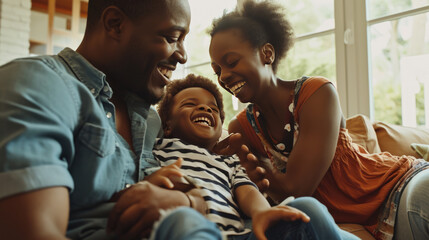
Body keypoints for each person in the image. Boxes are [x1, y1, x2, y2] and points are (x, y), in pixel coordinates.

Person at [0, 0, 223, 239]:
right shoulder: (36, 84)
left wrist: (184, 200)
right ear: (114, 24)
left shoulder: (150, 120)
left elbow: (195, 195)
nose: (182, 55)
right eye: (171, 37)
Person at [208, 0, 429, 240]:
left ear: (267, 53)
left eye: (231, 62)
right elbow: (269, 200)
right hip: (344, 222)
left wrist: (254, 162)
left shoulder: (316, 93)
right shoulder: (241, 127)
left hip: (397, 186)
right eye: (217, 70)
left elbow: (297, 189)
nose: (224, 76)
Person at [147, 74, 358, 240]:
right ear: (166, 124)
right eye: (189, 104)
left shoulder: (228, 161)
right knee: (183, 220)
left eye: (213, 108)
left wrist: (262, 213)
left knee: (308, 207)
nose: (204, 108)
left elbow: (247, 191)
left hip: (241, 236)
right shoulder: (159, 150)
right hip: (190, 229)